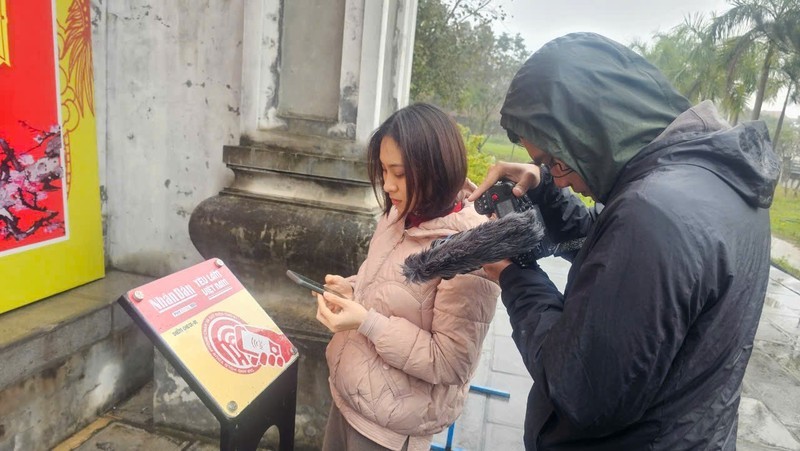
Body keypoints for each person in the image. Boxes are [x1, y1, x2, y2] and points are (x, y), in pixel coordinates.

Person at [468, 32, 779, 450]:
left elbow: (580, 385)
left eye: (555, 160)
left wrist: (512, 274)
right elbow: (608, 244)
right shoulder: (708, 179)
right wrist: (543, 186)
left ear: (594, 130)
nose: (560, 175)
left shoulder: (655, 212)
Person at [314, 102, 501, 451]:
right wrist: (351, 288)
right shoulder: (398, 216)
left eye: (399, 174)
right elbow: (389, 286)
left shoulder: (468, 252)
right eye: (383, 171)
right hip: (348, 398)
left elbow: (450, 361)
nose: (387, 185)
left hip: (391, 427)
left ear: (436, 168)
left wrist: (367, 322)